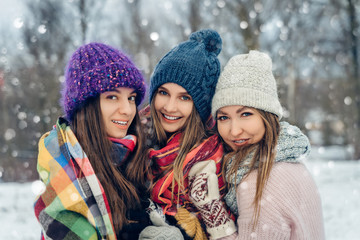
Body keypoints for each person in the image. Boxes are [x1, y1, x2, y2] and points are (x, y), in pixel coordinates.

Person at [33, 42, 180, 239]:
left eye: (131, 98)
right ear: (87, 105)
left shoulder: (141, 159)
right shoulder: (65, 170)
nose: (127, 110)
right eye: (112, 97)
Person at [209, 50, 325, 239]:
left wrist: (212, 211)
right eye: (223, 117)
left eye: (245, 114)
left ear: (266, 116)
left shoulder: (259, 181)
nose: (234, 130)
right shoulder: (288, 160)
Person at [146, 29, 238, 240]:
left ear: (200, 107)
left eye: (184, 98)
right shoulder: (136, 138)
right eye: (163, 93)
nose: (170, 107)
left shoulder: (214, 159)